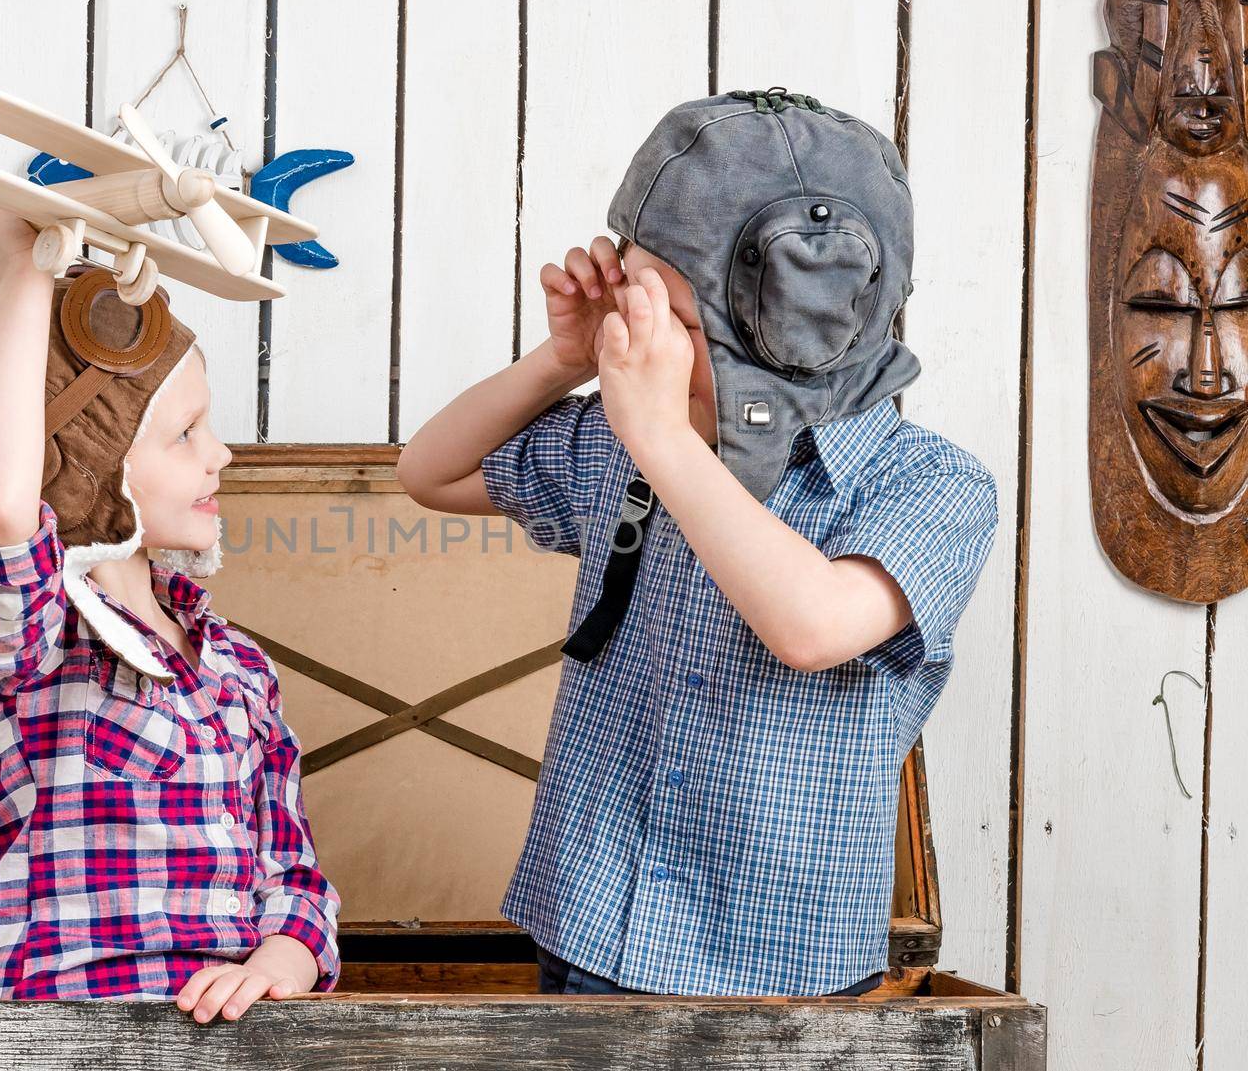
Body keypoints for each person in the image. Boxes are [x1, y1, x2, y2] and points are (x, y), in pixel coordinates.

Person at [397, 89, 999, 997]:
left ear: (786, 328)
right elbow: (429, 472)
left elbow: (809, 625)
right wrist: (562, 359)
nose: (631, 342)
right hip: (588, 922)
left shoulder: (932, 485)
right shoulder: (629, 435)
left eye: (665, 319)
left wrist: (664, 439)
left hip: (767, 973)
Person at [0, 194, 339, 1020]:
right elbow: (0, 510)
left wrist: (284, 956)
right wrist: (22, 275)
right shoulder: (34, 642)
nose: (220, 453)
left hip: (224, 1040)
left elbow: (293, 871)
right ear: (84, 468)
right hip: (55, 1031)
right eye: (185, 433)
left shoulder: (238, 667)